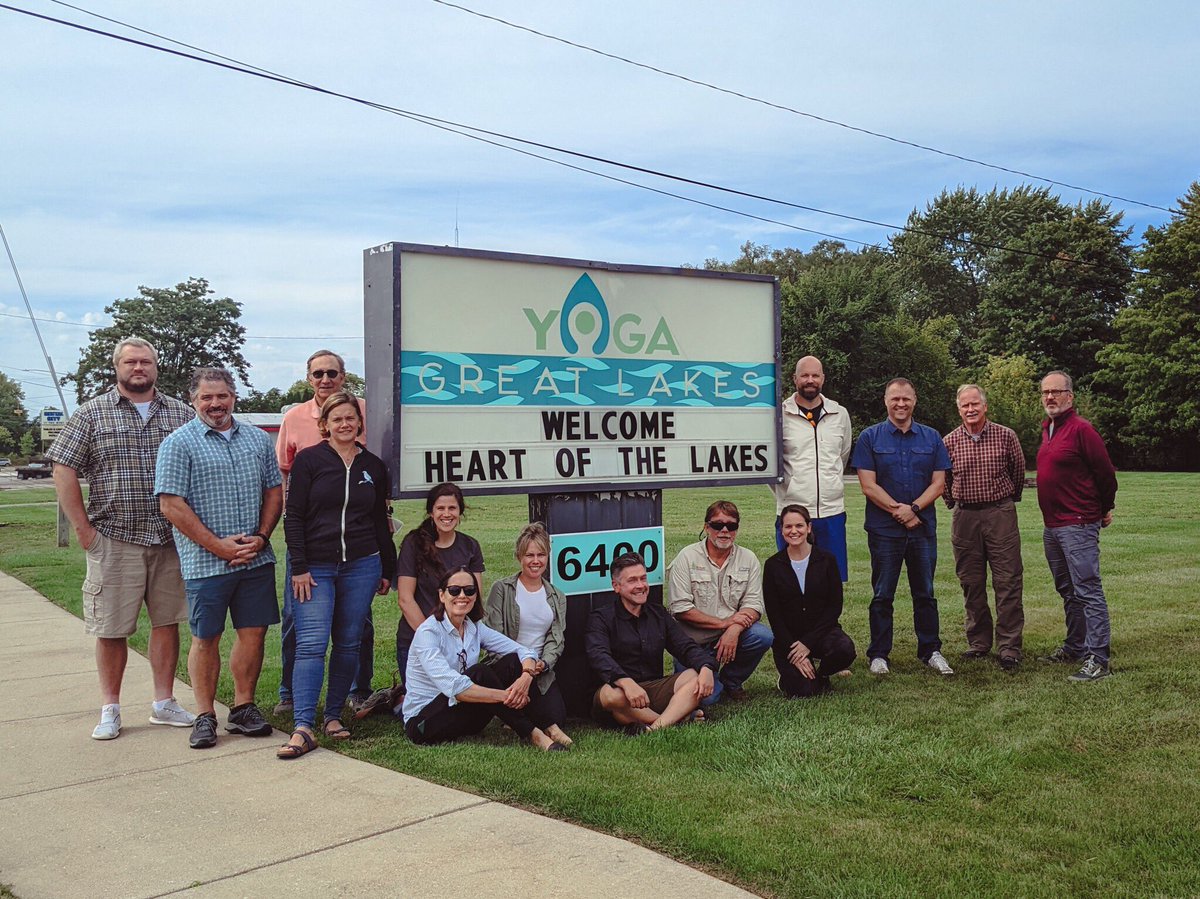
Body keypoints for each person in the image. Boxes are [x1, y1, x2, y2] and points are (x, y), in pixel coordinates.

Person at [47, 337, 196, 740]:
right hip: (114, 538)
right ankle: (110, 708)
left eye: (146, 361)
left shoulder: (181, 414)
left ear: (156, 367)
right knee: (111, 628)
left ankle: (164, 703)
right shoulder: (91, 414)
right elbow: (64, 468)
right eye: (130, 362)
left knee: (167, 623)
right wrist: (84, 530)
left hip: (169, 539)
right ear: (117, 367)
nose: (138, 368)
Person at [155, 367, 283, 749]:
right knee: (205, 637)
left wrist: (261, 537)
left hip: (256, 560)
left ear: (233, 396)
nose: (215, 404)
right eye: (206, 397)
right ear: (193, 401)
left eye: (222, 395)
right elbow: (171, 505)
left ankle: (243, 709)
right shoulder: (178, 443)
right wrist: (218, 546)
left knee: (253, 633)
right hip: (205, 563)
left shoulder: (258, 441)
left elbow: (274, 492)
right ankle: (205, 715)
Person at [277, 392, 394, 759]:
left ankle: (332, 716)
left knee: (348, 642)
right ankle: (302, 725)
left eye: (351, 418)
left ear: (360, 423)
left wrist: (387, 568)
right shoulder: (309, 461)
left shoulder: (373, 465)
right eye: (337, 419)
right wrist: (299, 567)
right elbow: (293, 517)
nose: (345, 424)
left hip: (362, 564)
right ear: (324, 424)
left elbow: (379, 520)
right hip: (316, 567)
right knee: (311, 644)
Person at [274, 350, 372, 716]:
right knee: (296, 621)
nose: (325, 379)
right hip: (310, 543)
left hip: (358, 546)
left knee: (357, 624)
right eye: (318, 374)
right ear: (309, 378)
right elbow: (285, 471)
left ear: (344, 376)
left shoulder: (366, 409)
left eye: (332, 372)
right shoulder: (294, 418)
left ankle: (357, 690)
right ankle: (290, 694)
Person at [852, 377, 955, 676]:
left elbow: (939, 484)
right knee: (882, 594)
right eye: (895, 398)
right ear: (885, 400)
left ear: (914, 401)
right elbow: (868, 486)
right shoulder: (870, 438)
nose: (901, 403)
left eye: (906, 398)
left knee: (925, 592)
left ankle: (931, 650)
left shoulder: (932, 437)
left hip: (922, 529)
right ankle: (879, 654)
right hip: (884, 531)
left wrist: (913, 509)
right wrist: (899, 511)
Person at [401, 568, 566, 750]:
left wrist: (525, 677)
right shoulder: (428, 632)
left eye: (469, 590)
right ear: (442, 595)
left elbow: (524, 651)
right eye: (455, 590)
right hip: (425, 724)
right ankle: (535, 734)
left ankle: (549, 726)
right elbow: (456, 688)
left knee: (512, 662)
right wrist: (507, 696)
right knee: (479, 672)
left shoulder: (474, 627)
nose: (462, 596)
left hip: (465, 716)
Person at [1036, 370, 1118, 683]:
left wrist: (1103, 510)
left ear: (1070, 396)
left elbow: (1106, 475)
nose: (1050, 397)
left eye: (1056, 392)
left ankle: (1098, 659)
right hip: (1053, 526)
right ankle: (1075, 645)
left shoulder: (1082, 430)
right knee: (1068, 590)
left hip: (1079, 524)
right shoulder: (1049, 429)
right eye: (1045, 392)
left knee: (1087, 590)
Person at [942, 384, 1026, 670]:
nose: (970, 409)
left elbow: (1017, 473)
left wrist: (1004, 502)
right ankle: (978, 642)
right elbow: (945, 481)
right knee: (971, 581)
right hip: (965, 516)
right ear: (958, 409)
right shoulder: (949, 442)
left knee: (1008, 580)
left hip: (999, 512)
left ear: (985, 406)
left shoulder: (1006, 436)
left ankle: (1009, 647)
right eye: (965, 405)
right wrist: (956, 503)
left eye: (975, 404)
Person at [587, 552, 716, 734]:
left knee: (694, 677)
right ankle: (677, 718)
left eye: (643, 578)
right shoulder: (601, 618)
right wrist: (625, 682)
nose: (640, 586)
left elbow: (685, 646)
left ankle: (655, 728)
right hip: (620, 693)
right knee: (611, 696)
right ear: (616, 586)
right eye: (632, 580)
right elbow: (598, 656)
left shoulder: (658, 614)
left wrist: (706, 667)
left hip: (652, 689)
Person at [666, 500, 772, 704]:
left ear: (737, 529)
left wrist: (733, 630)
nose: (724, 531)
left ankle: (731, 680)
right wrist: (726, 624)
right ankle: (711, 681)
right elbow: (681, 609)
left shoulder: (748, 558)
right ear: (706, 527)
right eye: (717, 525)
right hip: (693, 643)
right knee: (706, 700)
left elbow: (754, 605)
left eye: (731, 526)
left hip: (730, 636)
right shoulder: (686, 557)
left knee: (762, 636)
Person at [484, 522, 573, 748]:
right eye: (529, 555)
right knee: (517, 664)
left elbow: (556, 639)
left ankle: (516, 716)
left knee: (558, 713)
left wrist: (542, 664)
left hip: (540, 670)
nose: (536, 561)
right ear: (519, 557)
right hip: (508, 663)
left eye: (541, 554)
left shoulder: (557, 596)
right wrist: (526, 664)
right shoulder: (502, 589)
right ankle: (548, 729)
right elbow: (494, 636)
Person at [395, 482, 484, 695]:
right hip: (418, 638)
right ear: (430, 512)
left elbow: (474, 597)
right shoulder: (413, 543)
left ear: (460, 511)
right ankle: (398, 699)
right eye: (440, 508)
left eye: (452, 508)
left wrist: (457, 641)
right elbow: (405, 599)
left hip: (458, 642)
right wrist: (435, 639)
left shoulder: (470, 546)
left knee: (459, 703)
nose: (447, 514)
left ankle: (399, 695)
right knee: (431, 706)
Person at [772, 355, 854, 580]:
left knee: (831, 579)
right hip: (792, 513)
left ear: (823, 379)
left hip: (832, 513)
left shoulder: (840, 414)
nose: (810, 380)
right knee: (790, 579)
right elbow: (771, 464)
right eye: (805, 375)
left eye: (815, 375)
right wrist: (787, 491)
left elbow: (842, 456)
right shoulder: (779, 415)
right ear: (794, 378)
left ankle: (829, 618)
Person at [762, 505, 856, 697]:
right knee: (804, 692)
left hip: (821, 632)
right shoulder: (773, 565)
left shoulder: (827, 560)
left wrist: (807, 643)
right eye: (788, 527)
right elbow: (774, 614)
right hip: (789, 638)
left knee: (844, 649)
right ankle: (792, 676)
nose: (794, 531)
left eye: (799, 525)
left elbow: (834, 607)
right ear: (781, 529)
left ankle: (822, 673)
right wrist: (795, 650)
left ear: (809, 528)